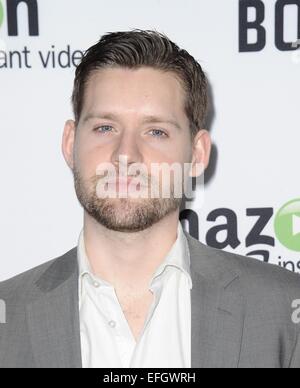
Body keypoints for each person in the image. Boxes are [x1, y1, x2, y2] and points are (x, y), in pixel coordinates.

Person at [0, 29, 299, 368]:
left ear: (197, 153)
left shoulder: (284, 314)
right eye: (105, 128)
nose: (125, 155)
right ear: (70, 143)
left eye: (156, 132)